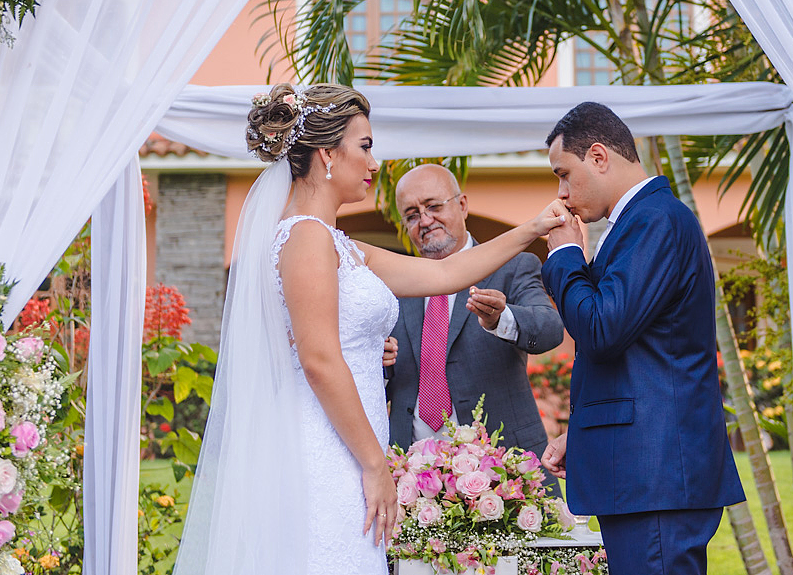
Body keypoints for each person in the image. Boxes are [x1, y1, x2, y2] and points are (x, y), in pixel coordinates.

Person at [173, 83, 566, 575]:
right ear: (326, 154)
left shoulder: (341, 246)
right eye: (365, 146)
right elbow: (319, 361)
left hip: (352, 446)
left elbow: (445, 274)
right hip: (328, 449)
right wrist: (376, 465)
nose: (375, 162)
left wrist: (532, 228)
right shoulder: (305, 239)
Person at [538, 102, 745, 575]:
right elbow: (640, 350)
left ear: (598, 155)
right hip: (646, 470)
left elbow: (601, 330)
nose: (562, 192)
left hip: (655, 477)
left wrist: (567, 254)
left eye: (564, 174)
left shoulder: (655, 220)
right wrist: (588, 432)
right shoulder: (639, 222)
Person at [386, 164, 565, 490]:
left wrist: (502, 319)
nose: (425, 221)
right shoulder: (393, 288)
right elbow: (376, 382)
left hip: (503, 475)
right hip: (413, 479)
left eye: (434, 206)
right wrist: (377, 365)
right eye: (412, 215)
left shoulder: (512, 266)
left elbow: (550, 330)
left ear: (463, 204)